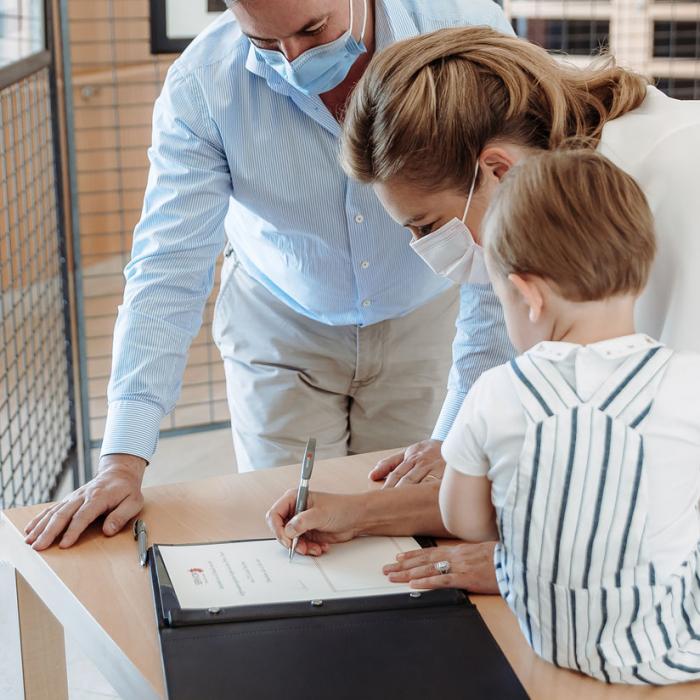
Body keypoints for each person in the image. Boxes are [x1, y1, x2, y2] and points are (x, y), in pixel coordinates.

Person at [23, 2, 514, 551]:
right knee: (294, 536)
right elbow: (167, 266)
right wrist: (121, 457)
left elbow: (502, 246)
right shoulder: (203, 83)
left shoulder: (467, 33)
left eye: (313, 29)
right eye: (265, 42)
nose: (296, 59)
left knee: (409, 529)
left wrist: (455, 428)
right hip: (280, 330)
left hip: (429, 320)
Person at [266, 26, 700, 593]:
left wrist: (519, 565)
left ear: (498, 170)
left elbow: (670, 500)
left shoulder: (676, 188)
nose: (427, 251)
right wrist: (360, 512)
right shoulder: (552, 199)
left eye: (427, 227)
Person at [439, 149, 700, 684]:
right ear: (643, 271)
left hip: (552, 640)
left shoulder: (495, 392)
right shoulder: (686, 382)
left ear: (528, 294)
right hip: (671, 649)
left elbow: (462, 521)